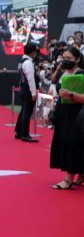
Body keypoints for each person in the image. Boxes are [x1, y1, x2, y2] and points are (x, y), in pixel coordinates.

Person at [49, 47, 84, 189]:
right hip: (63, 114)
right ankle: (81, 174)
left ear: (77, 59)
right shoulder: (64, 73)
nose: (65, 60)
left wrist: (71, 95)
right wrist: (52, 106)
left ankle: (68, 179)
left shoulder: (81, 74)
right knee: (64, 143)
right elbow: (55, 91)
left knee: (73, 144)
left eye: (69, 58)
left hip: (77, 116)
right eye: (64, 58)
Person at [14, 43, 39, 142]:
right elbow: (31, 79)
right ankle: (25, 134)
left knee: (23, 111)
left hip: (23, 88)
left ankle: (19, 132)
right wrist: (33, 93)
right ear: (33, 52)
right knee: (27, 112)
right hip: (28, 89)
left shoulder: (22, 61)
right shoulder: (28, 63)